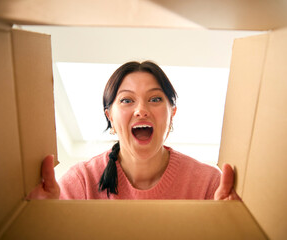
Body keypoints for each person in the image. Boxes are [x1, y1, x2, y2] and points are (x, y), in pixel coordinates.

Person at [27, 61, 241, 201]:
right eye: (127, 100)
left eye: (155, 99)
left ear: (172, 113)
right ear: (110, 117)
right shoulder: (81, 182)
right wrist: (43, 219)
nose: (141, 110)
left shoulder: (208, 184)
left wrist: (232, 223)